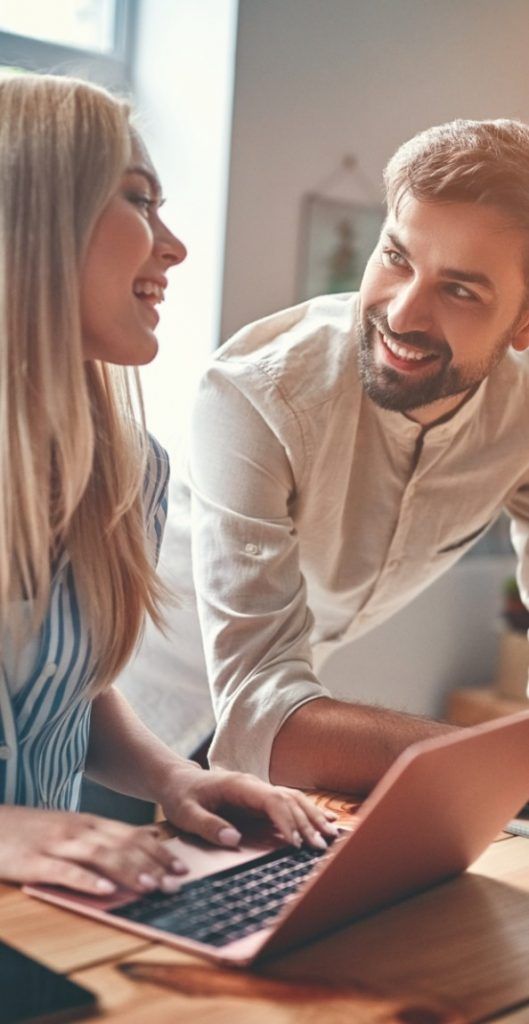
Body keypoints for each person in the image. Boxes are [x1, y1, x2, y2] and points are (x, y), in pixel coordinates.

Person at [0, 73, 337, 899]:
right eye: (139, 200)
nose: (174, 245)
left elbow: (63, 687)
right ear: (34, 214)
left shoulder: (127, 471)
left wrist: (169, 779)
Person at [122, 116, 529, 794]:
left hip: (284, 710)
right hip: (126, 723)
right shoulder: (254, 394)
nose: (402, 314)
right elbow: (259, 712)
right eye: (396, 257)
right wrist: (502, 763)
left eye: (458, 289)